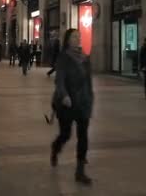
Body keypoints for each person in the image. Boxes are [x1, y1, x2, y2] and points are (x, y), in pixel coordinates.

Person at [50, 29, 94, 185]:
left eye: (79, 37)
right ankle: (55, 148)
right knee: (66, 134)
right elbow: (59, 80)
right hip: (67, 104)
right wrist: (64, 96)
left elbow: (88, 82)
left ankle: (80, 171)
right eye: (74, 37)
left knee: (83, 136)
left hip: (83, 103)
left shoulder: (84, 58)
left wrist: (90, 99)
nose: (77, 39)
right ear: (68, 40)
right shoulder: (63, 58)